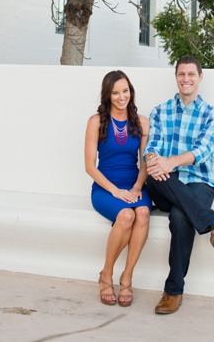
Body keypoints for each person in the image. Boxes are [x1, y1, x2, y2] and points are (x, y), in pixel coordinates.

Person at [144, 55, 214, 315]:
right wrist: (153, 160)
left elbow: (202, 151)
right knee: (154, 174)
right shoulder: (160, 111)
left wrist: (169, 163)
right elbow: (152, 147)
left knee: (180, 216)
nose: (186, 79)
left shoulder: (212, 115)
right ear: (176, 77)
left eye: (191, 74)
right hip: (164, 182)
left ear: (200, 77)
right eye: (181, 74)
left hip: (199, 182)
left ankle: (173, 292)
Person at [85, 70, 152, 307]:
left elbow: (145, 162)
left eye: (125, 91)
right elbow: (90, 167)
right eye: (115, 92)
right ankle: (106, 274)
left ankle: (126, 278)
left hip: (134, 184)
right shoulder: (96, 122)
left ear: (130, 92)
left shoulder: (142, 122)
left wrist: (136, 187)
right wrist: (114, 190)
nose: (121, 96)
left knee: (142, 213)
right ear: (108, 95)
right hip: (105, 188)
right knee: (126, 215)